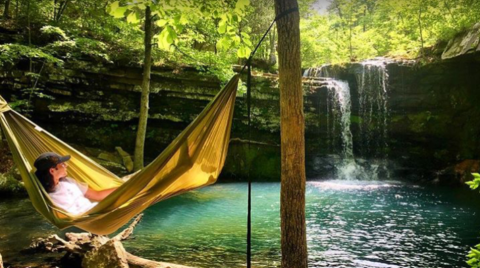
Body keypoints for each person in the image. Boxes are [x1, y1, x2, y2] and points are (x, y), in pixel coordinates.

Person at [34, 152, 117, 215]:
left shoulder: (68, 181)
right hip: (84, 218)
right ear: (52, 171)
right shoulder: (46, 195)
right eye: (62, 164)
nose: (66, 165)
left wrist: (123, 188)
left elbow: (97, 195)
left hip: (97, 211)